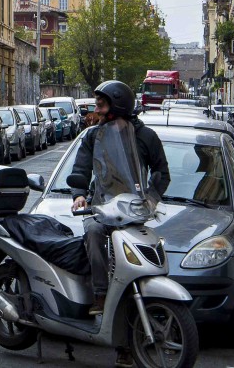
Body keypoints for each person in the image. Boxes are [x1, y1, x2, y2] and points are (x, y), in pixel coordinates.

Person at [69, 81, 170, 316]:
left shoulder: (145, 136)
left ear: (118, 105)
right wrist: (80, 195)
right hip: (102, 206)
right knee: (93, 232)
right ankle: (101, 294)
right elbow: (81, 169)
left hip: (133, 207)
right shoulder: (93, 136)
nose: (97, 111)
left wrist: (152, 198)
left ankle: (145, 288)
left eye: (101, 106)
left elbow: (161, 172)